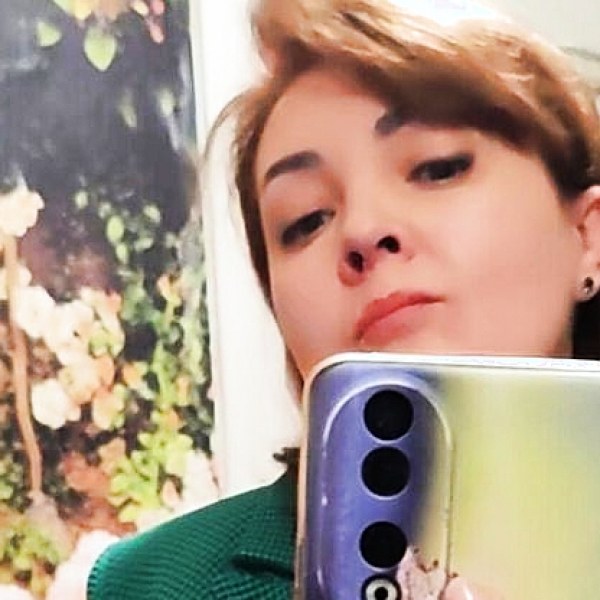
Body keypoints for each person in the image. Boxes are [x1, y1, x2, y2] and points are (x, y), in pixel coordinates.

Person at [87, 0, 600, 598]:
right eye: (305, 220)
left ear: (587, 235)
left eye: (437, 168)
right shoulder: (154, 582)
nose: (362, 229)